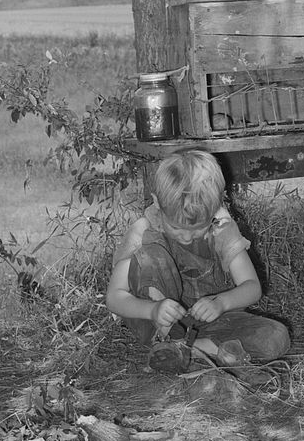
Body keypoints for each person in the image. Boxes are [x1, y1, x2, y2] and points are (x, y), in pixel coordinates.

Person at [106, 149, 290, 374]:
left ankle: (195, 349)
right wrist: (153, 310)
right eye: (175, 227)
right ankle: (177, 344)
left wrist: (220, 303)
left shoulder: (221, 230)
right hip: (156, 322)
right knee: (150, 254)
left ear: (215, 207)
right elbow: (114, 298)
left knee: (275, 338)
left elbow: (252, 287)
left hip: (213, 321)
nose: (185, 236)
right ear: (157, 202)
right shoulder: (143, 232)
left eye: (197, 229)